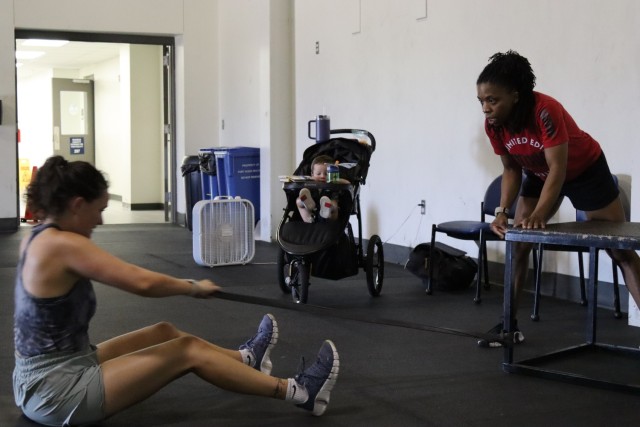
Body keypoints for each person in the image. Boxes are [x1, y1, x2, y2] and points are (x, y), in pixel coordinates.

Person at [13, 155, 340, 426]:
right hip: (57, 392)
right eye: (98, 210)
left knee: (164, 332)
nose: (99, 220)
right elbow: (139, 282)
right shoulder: (62, 245)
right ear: (77, 205)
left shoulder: (39, 235)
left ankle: (246, 359)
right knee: (186, 352)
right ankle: (298, 392)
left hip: (58, 368)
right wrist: (193, 286)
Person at [475, 50, 640, 347]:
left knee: (620, 252)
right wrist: (502, 212)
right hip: (538, 174)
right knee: (520, 243)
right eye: (482, 101)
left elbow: (559, 169)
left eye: (492, 100)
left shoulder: (544, 111)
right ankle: (508, 326)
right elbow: (511, 169)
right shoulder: (495, 126)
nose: (486, 108)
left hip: (585, 170)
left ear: (514, 95)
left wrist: (539, 212)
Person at [296, 155, 349, 223]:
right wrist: (309, 179)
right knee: (299, 201)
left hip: (330, 217)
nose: (322, 176)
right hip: (311, 213)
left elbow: (347, 183)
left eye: (326, 174)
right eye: (318, 174)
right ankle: (307, 204)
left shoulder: (333, 182)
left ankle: (326, 207)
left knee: (333, 204)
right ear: (312, 174)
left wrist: (335, 179)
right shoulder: (310, 183)